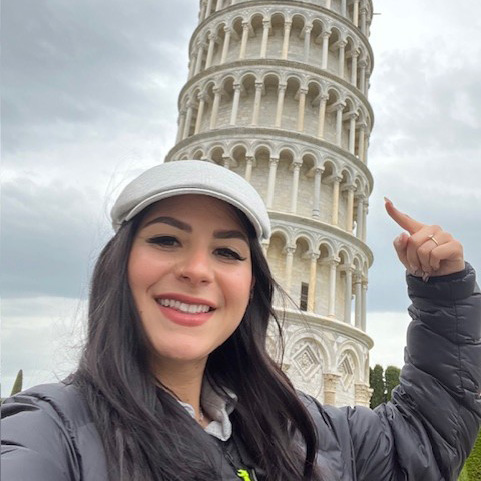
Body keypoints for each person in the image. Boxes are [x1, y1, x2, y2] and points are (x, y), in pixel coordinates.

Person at [1, 160, 480, 481]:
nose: (196, 270)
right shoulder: (54, 434)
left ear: (252, 286)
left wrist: (444, 295)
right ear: (119, 265)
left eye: (227, 252)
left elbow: (421, 441)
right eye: (166, 240)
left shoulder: (299, 429)